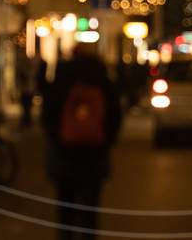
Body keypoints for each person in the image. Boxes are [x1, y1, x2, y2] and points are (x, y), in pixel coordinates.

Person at [41, 44, 122, 240]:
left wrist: (57, 139)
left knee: (65, 207)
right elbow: (115, 116)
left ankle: (65, 235)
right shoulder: (102, 80)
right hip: (94, 153)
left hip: (65, 153)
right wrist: (106, 140)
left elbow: (48, 114)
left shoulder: (62, 78)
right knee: (90, 208)